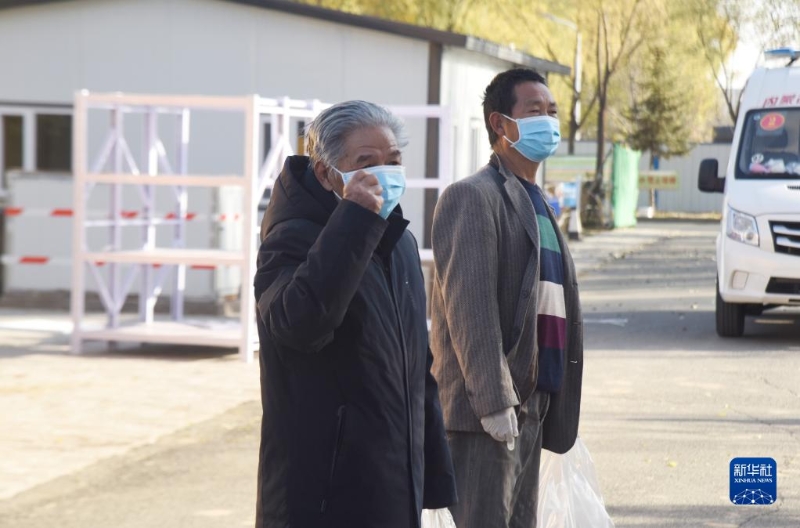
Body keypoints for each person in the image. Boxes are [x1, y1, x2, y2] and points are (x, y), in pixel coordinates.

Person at [253, 100, 457, 528]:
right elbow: (300, 326)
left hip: (394, 484)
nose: (385, 172)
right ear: (326, 173)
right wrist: (353, 220)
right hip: (326, 496)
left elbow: (415, 367)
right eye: (366, 162)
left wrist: (432, 478)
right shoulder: (291, 238)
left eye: (393, 161)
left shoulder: (398, 241)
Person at [429, 68, 583, 527]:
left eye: (552, 111)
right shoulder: (473, 197)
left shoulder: (538, 202)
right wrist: (495, 403)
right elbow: (471, 311)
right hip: (488, 412)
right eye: (535, 111)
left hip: (534, 403)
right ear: (500, 124)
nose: (548, 122)